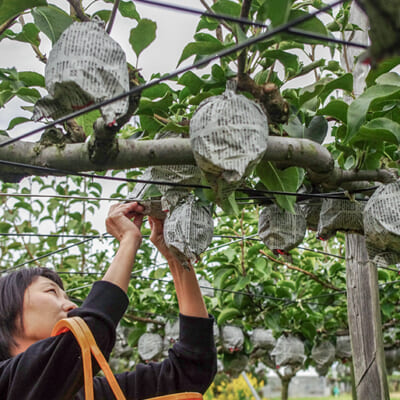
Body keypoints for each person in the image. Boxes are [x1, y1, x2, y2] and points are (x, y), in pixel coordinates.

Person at [0, 202, 217, 399]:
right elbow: (86, 334)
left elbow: (190, 372)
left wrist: (175, 257)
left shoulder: (92, 393)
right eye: (50, 292)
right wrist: (128, 240)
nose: (72, 306)